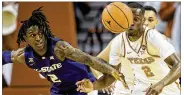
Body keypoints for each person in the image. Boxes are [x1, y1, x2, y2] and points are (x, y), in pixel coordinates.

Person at [2, 7, 128, 95]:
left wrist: (111, 70)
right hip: (59, 89)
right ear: (27, 39)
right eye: (33, 35)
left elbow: (90, 60)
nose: (39, 38)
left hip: (82, 84)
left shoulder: (59, 48)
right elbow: (4, 57)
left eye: (41, 34)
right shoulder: (24, 56)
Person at [76, 2, 181, 95]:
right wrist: (93, 85)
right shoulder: (118, 42)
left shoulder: (153, 37)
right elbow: (111, 76)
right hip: (141, 89)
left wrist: (160, 85)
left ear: (143, 20)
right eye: (130, 18)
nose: (132, 23)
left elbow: (179, 65)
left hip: (166, 88)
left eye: (136, 19)